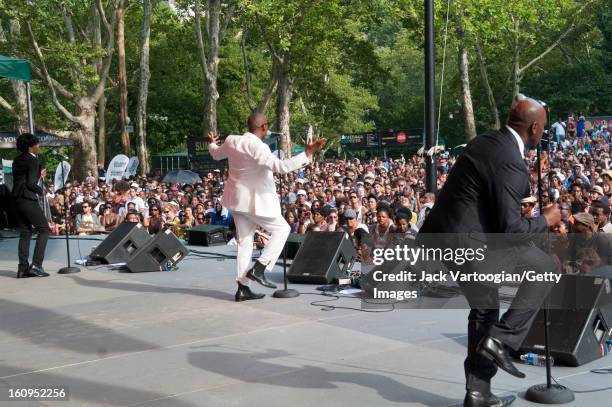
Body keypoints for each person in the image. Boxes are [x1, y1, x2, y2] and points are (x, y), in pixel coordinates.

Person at [419, 98, 561, 407]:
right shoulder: (511, 160)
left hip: (446, 238)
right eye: (544, 128)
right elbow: (510, 231)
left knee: (484, 308)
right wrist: (544, 221)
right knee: (546, 268)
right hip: (469, 244)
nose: (543, 133)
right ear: (534, 127)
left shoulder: (486, 140)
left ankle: (478, 393)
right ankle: (501, 339)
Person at [208, 112, 326, 302]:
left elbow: (215, 153)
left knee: (245, 242)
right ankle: (260, 268)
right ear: (264, 127)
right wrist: (308, 153)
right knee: (282, 229)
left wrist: (212, 143)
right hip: (256, 202)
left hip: (237, 201)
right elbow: (281, 167)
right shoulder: (258, 146)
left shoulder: (231, 140)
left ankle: (243, 288)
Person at [12, 133, 51, 278]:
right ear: (31, 147)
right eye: (37, 144)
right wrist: (42, 190)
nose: (39, 147)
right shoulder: (33, 160)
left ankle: (22, 269)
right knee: (44, 230)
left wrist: (38, 176)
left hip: (16, 200)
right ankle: (36, 265)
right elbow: (30, 184)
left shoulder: (17, 159)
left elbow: (23, 178)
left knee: (25, 233)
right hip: (28, 199)